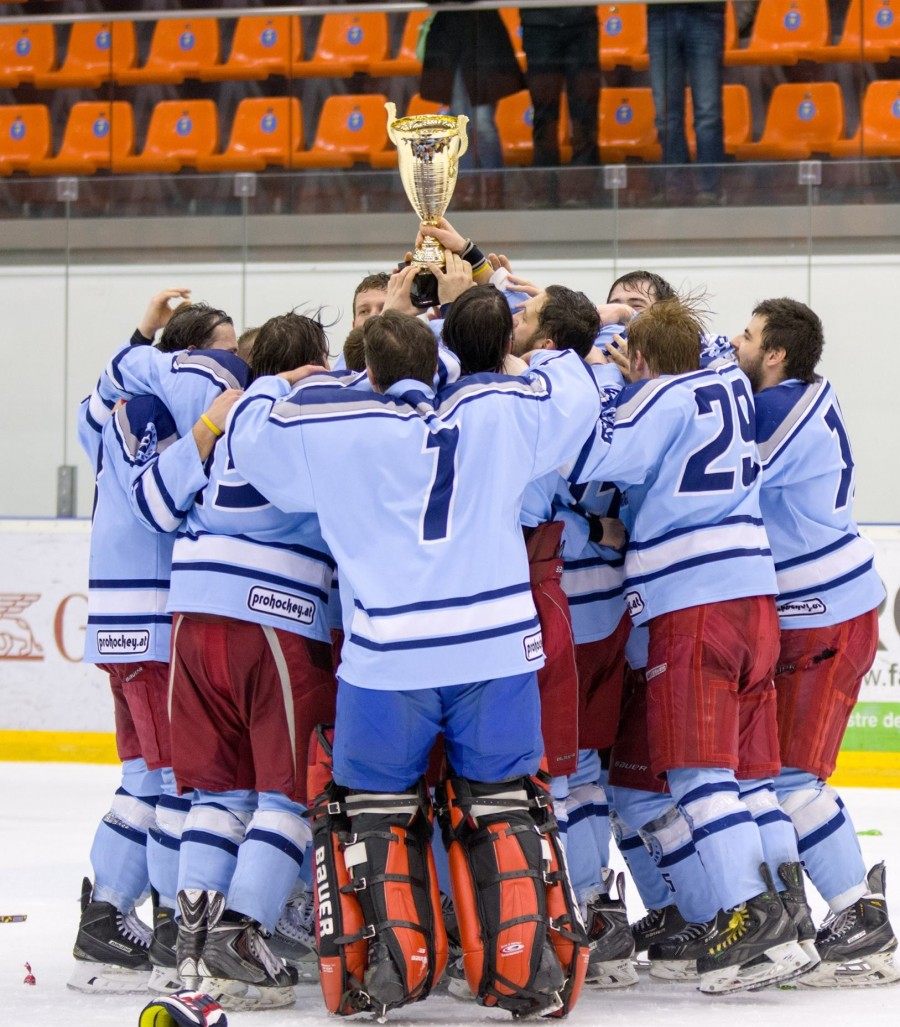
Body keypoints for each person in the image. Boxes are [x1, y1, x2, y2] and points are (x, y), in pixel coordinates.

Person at [227, 308, 599, 1018]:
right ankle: (530, 968)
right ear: (437, 366)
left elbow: (254, 447)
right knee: (504, 806)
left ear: (366, 369)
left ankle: (385, 972)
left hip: (387, 658)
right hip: (494, 646)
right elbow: (573, 393)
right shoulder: (494, 407)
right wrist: (507, 345)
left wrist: (278, 383)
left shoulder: (334, 423)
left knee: (376, 813)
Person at [570, 296, 810, 993]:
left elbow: (588, 454)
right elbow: (699, 350)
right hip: (754, 595)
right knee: (751, 778)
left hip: (692, 600)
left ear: (641, 359)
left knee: (700, 776)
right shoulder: (727, 379)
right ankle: (786, 918)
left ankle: (746, 920)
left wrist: (604, 380)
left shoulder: (660, 396)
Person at [71, 294, 246, 994]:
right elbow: (168, 496)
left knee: (145, 774)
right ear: (185, 357)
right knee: (178, 778)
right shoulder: (181, 411)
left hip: (115, 620)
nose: (229, 367)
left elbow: (95, 403)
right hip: (153, 618)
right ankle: (176, 927)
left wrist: (137, 334)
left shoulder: (113, 409)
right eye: (220, 351)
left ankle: (106, 914)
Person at [163, 312, 339, 1011]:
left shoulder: (232, 412)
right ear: (313, 361)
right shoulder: (313, 409)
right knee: (288, 791)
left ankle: (194, 945)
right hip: (274, 609)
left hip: (193, 609)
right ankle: (243, 937)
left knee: (218, 793)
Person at [731, 298, 898, 988]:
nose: (735, 342)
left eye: (747, 335)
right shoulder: (796, 392)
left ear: (776, 356)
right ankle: (843, 905)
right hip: (823, 608)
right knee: (779, 776)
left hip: (823, 614)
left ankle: (858, 912)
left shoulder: (777, 410)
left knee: (791, 780)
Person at [419, 4, 525, 171]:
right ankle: (466, 189)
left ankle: (493, 192)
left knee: (483, 123)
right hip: (450, 40)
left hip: (483, 37)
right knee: (460, 122)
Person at [646, 3, 726, 203]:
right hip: (660, 14)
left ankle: (710, 189)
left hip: (705, 12)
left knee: (708, 113)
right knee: (665, 114)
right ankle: (676, 187)